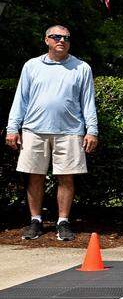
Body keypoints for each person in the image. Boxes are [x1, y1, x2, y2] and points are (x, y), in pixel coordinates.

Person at [5, 25, 98, 242]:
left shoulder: (82, 67)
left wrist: (91, 130)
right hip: (33, 130)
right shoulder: (31, 66)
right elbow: (21, 99)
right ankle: (35, 220)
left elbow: (88, 102)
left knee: (66, 177)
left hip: (70, 131)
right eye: (56, 37)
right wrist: (12, 128)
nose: (61, 41)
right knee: (34, 176)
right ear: (46, 40)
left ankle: (63, 222)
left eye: (66, 38)